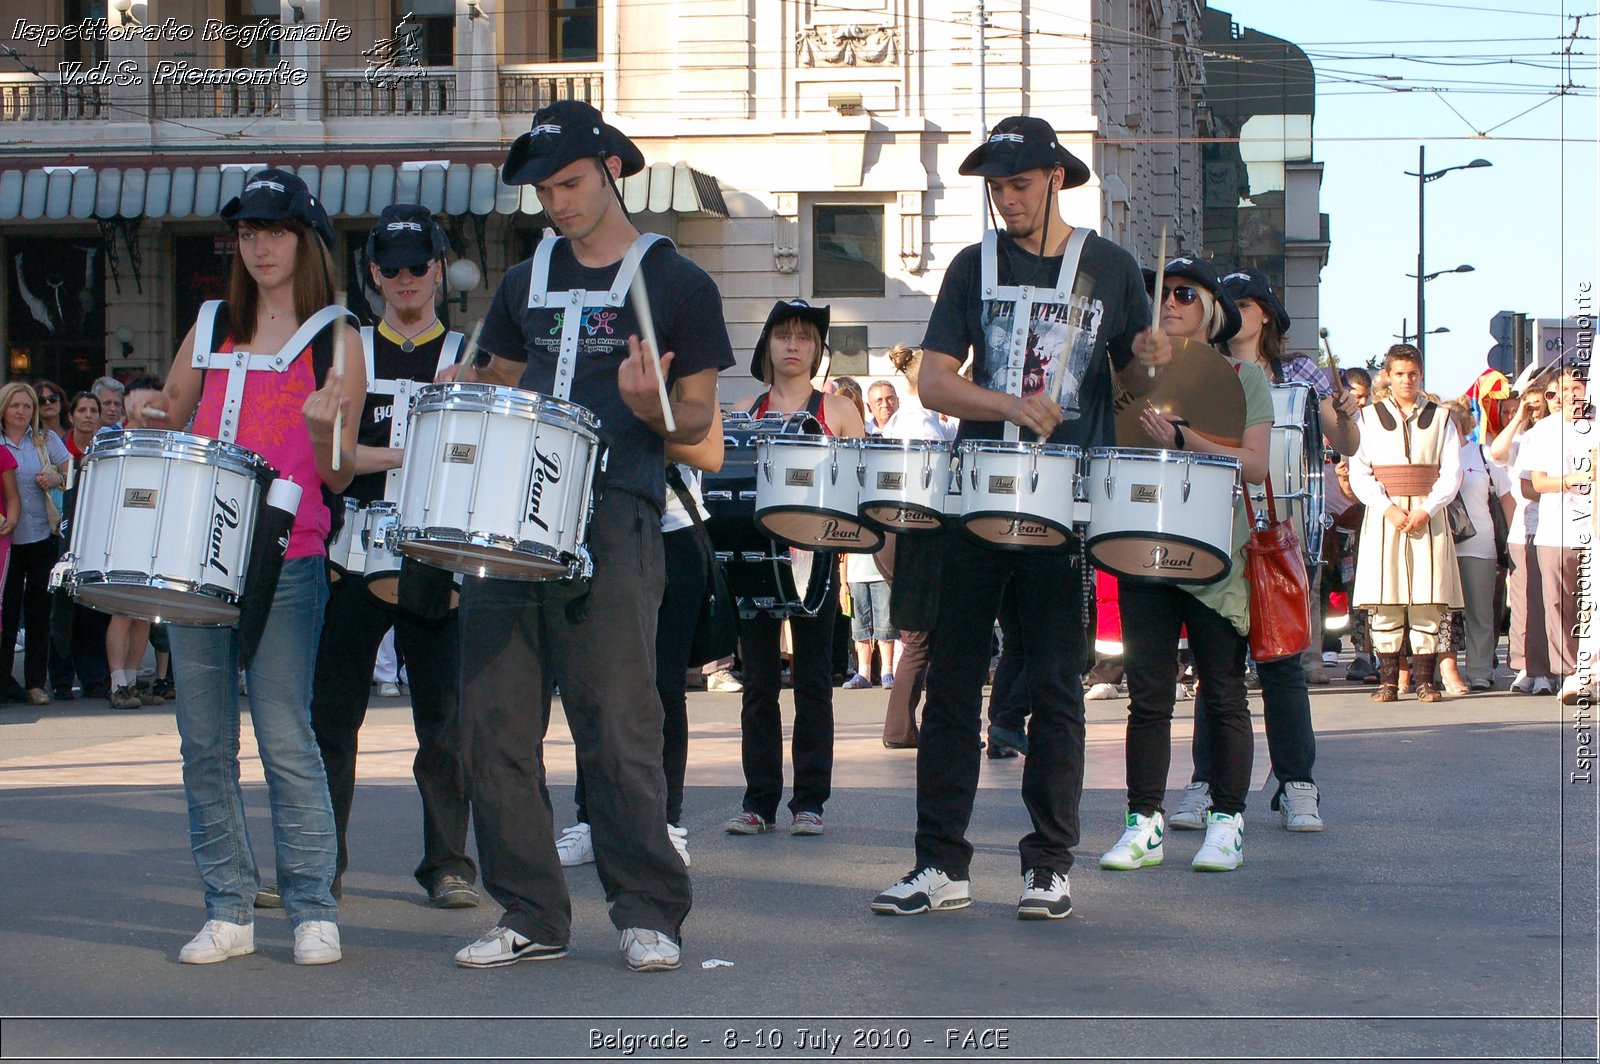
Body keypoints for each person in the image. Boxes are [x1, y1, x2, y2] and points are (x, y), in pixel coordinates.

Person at [445, 101, 729, 973]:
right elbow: (491, 374)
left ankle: (648, 910)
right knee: (492, 724)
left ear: (611, 169)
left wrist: (652, 410)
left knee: (616, 723)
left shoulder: (677, 282)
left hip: (615, 509)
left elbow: (707, 441)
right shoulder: (524, 278)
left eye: (569, 183)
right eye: (543, 189)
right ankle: (530, 912)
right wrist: (451, 388)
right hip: (507, 514)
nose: (556, 203)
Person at [871, 115, 1169, 921]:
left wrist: (1151, 365)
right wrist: (1008, 403)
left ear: (1056, 179)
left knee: (1057, 683)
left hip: (1067, 501)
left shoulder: (1109, 267)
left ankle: (1049, 865)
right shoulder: (974, 265)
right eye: (997, 186)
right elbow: (934, 381)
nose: (1007, 199)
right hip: (974, 492)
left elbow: (1138, 392)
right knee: (955, 678)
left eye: (1020, 183)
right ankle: (940, 865)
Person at [143, 166, 363, 965]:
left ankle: (312, 908)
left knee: (284, 735)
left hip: (288, 552)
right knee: (203, 741)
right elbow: (170, 410)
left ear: (305, 239)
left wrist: (322, 431)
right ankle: (228, 909)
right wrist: (146, 411)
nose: (260, 246)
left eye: (275, 231)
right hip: (198, 552)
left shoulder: (338, 334)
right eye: (247, 232)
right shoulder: (209, 323)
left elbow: (337, 475)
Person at [306, 204, 478, 909]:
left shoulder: (468, 356)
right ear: (372, 274)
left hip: (436, 550)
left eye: (419, 265)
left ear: (438, 268)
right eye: (391, 267)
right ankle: (322, 864)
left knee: (444, 720)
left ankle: (447, 864)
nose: (405, 278)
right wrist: (408, 450)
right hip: (351, 548)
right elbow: (333, 461)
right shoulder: (349, 350)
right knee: (331, 719)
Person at [1098, 255, 1272, 870]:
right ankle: (1142, 822)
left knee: (1222, 693)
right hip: (1143, 546)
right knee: (1148, 694)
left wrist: (1185, 440)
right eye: (1162, 294)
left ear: (1212, 311)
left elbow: (1255, 465)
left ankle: (1226, 823)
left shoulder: (1243, 379)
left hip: (1215, 557)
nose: (1170, 303)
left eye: (1186, 294)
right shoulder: (1129, 375)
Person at [557, 421, 725, 870]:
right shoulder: (590, 356)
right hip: (602, 527)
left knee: (666, 687)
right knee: (599, 685)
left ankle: (666, 821)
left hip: (675, 529)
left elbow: (710, 452)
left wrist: (634, 437)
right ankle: (592, 820)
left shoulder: (683, 364)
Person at [727, 299, 864, 836]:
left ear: (817, 349)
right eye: (783, 336)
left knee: (813, 683)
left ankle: (810, 801)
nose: (792, 346)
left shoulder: (839, 411)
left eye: (803, 337)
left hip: (819, 560)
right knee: (758, 684)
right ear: (767, 345)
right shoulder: (744, 408)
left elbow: (860, 484)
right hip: (757, 560)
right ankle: (758, 801)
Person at [1346, 345, 1464, 703]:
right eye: (1399, 374)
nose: (1406, 380)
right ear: (1388, 376)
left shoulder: (1442, 418)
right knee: (1386, 599)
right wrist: (1388, 508)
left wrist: (1428, 508)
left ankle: (1425, 681)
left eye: (1412, 373)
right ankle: (1388, 681)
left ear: (1421, 374)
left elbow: (1452, 472)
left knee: (1428, 600)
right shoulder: (1366, 419)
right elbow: (1359, 472)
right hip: (1387, 517)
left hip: (1428, 516)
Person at [1515, 364, 1593, 704]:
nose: (1568, 396)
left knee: (1591, 607)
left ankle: (1590, 673)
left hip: (1593, 531)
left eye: (1575, 389)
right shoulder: (1544, 430)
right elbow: (1535, 482)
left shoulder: (1596, 425)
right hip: (1554, 532)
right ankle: (1569, 673)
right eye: (1561, 391)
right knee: (1558, 606)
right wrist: (1567, 481)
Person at [0, 381, 71, 705]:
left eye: (27, 406)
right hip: (6, 541)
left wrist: (57, 478)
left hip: (42, 534)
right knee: (7, 612)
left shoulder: (46, 440)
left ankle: (34, 684)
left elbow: (76, 471)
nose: (21, 411)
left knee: (40, 612)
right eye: (15, 405)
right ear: (4, 408)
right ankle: (4, 681)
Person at [1487, 374, 1553, 693]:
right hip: (1522, 530)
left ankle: (1550, 668)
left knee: (1551, 602)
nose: (1536, 410)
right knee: (1523, 603)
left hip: (1556, 528)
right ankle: (1526, 665)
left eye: (1541, 405)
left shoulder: (1558, 436)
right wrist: (1518, 418)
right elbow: (1497, 453)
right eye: (1531, 405)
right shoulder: (1520, 439)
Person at [1441, 399, 1511, 692]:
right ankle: (1439, 669)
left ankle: (1481, 670)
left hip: (1480, 544)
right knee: (1442, 614)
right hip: (1441, 546)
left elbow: (1507, 498)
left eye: (1450, 424)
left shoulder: (1482, 456)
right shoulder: (1434, 457)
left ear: (1462, 425)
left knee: (1481, 612)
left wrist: (1510, 541)